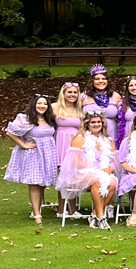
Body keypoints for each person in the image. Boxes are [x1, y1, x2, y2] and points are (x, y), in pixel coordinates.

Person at [3, 93, 59, 224]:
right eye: (39, 103)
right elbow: (9, 132)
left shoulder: (50, 119)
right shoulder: (26, 119)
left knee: (42, 184)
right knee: (34, 183)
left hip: (48, 154)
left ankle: (36, 209)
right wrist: (23, 144)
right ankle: (37, 215)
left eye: (45, 104)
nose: (42, 106)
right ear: (34, 104)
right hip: (34, 154)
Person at [59, 110, 119, 229]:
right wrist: (93, 170)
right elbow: (76, 160)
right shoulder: (79, 139)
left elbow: (114, 160)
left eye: (99, 122)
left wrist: (111, 168)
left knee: (113, 183)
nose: (96, 124)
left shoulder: (108, 140)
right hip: (81, 173)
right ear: (87, 124)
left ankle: (94, 214)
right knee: (97, 180)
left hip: (102, 173)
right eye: (93, 122)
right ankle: (101, 217)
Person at [54, 82, 85, 218]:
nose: (72, 95)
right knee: (63, 177)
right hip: (61, 143)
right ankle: (62, 209)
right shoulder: (55, 108)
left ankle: (73, 208)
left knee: (73, 176)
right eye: (69, 92)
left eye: (75, 93)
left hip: (75, 144)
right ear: (64, 93)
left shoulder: (80, 109)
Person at [81, 65, 122, 142]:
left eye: (104, 78)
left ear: (107, 81)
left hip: (111, 135)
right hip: (90, 138)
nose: (101, 81)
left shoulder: (115, 96)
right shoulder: (83, 97)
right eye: (97, 79)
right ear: (92, 81)